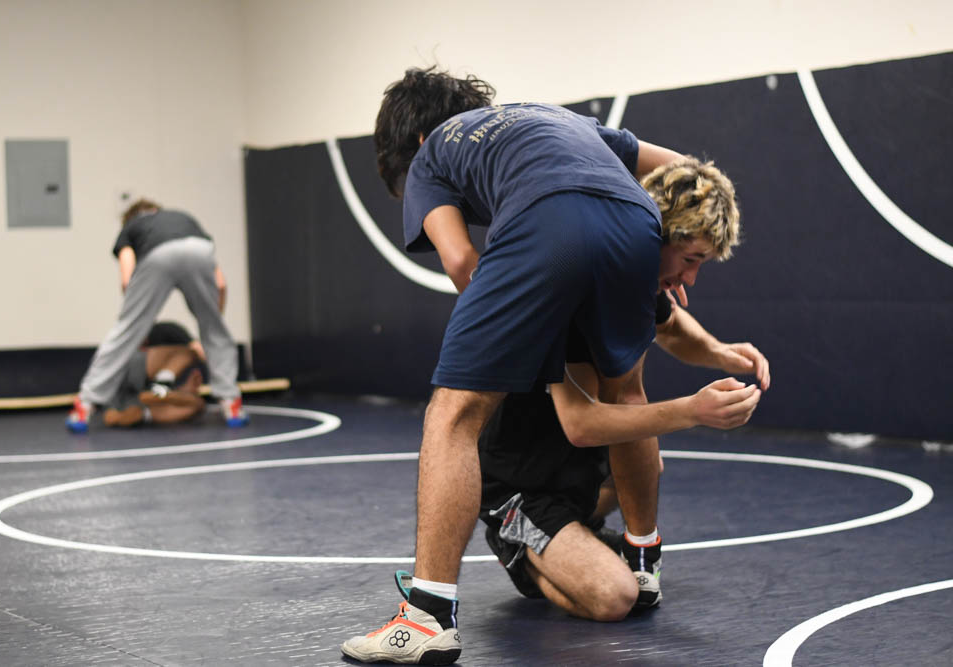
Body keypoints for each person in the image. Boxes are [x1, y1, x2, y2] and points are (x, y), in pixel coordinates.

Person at [342, 67, 762, 665]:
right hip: (634, 222)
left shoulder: (431, 154)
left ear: (409, 143)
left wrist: (517, 315)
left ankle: (428, 618)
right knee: (629, 391)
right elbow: (687, 172)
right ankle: (644, 561)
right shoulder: (559, 120)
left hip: (545, 227)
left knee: (455, 412)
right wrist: (653, 263)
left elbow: (463, 261)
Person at [479, 295, 771, 620]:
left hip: (572, 468)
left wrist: (720, 351)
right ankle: (518, 552)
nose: (688, 282)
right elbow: (581, 424)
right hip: (522, 486)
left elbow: (671, 324)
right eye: (690, 260)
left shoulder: (640, 276)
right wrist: (693, 411)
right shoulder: (570, 292)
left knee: (643, 469)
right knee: (615, 596)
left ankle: (596, 535)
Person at [66, 199, 247, 432]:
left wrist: (134, 315)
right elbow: (220, 285)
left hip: (157, 254)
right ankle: (231, 404)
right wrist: (212, 321)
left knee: (125, 331)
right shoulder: (184, 218)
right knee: (215, 329)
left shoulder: (132, 227)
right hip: (199, 249)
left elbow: (126, 278)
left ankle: (85, 406)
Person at [102, 321, 208, 428]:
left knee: (198, 405)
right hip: (123, 380)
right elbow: (198, 350)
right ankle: (158, 392)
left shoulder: (167, 337)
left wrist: (185, 390)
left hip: (135, 400)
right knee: (190, 353)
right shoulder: (163, 333)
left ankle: (142, 413)